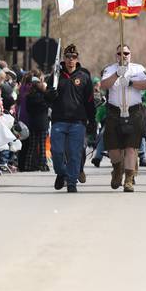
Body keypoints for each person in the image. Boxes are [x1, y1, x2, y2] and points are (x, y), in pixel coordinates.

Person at [100, 43, 146, 192]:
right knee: (113, 148)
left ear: (130, 54)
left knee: (131, 147)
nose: (123, 56)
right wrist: (117, 74)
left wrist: (131, 82)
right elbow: (103, 84)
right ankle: (117, 169)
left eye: (126, 53)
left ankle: (128, 179)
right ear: (115, 56)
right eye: (119, 54)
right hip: (114, 112)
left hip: (133, 111)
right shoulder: (110, 69)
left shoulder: (138, 68)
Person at [44, 44, 95, 193]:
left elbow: (90, 101)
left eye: (73, 57)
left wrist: (92, 121)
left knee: (74, 153)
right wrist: (49, 95)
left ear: (77, 58)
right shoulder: (55, 76)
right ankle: (62, 173)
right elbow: (46, 98)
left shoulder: (84, 76)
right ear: (63, 58)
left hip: (78, 122)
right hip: (59, 120)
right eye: (67, 57)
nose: (70, 60)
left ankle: (72, 182)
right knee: (57, 152)